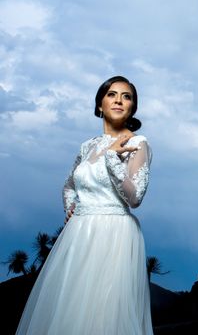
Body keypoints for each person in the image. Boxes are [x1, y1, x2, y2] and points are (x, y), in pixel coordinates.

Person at [16, 75, 153, 334]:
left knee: (104, 314)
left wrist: (113, 158)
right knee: (68, 311)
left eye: (127, 97)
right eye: (112, 94)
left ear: (132, 108)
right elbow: (70, 184)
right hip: (79, 234)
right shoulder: (87, 145)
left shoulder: (138, 143)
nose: (119, 100)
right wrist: (71, 209)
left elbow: (135, 198)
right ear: (100, 104)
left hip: (115, 235)